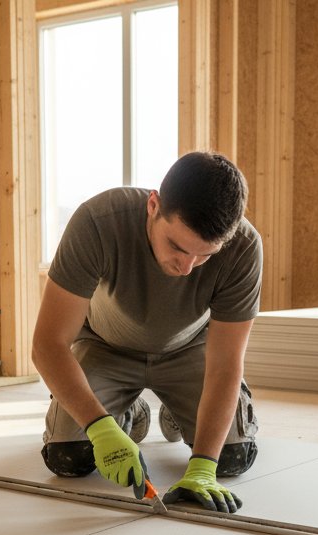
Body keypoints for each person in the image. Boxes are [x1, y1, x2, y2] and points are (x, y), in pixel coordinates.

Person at [31, 151, 262, 514]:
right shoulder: (97, 222)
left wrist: (203, 466)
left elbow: (225, 364)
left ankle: (177, 409)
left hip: (189, 351)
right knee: (69, 458)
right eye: (177, 246)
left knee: (232, 459)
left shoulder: (245, 248)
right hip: (106, 347)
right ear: (153, 205)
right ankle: (130, 412)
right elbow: (48, 344)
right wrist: (100, 428)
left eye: (205, 256)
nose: (187, 267)